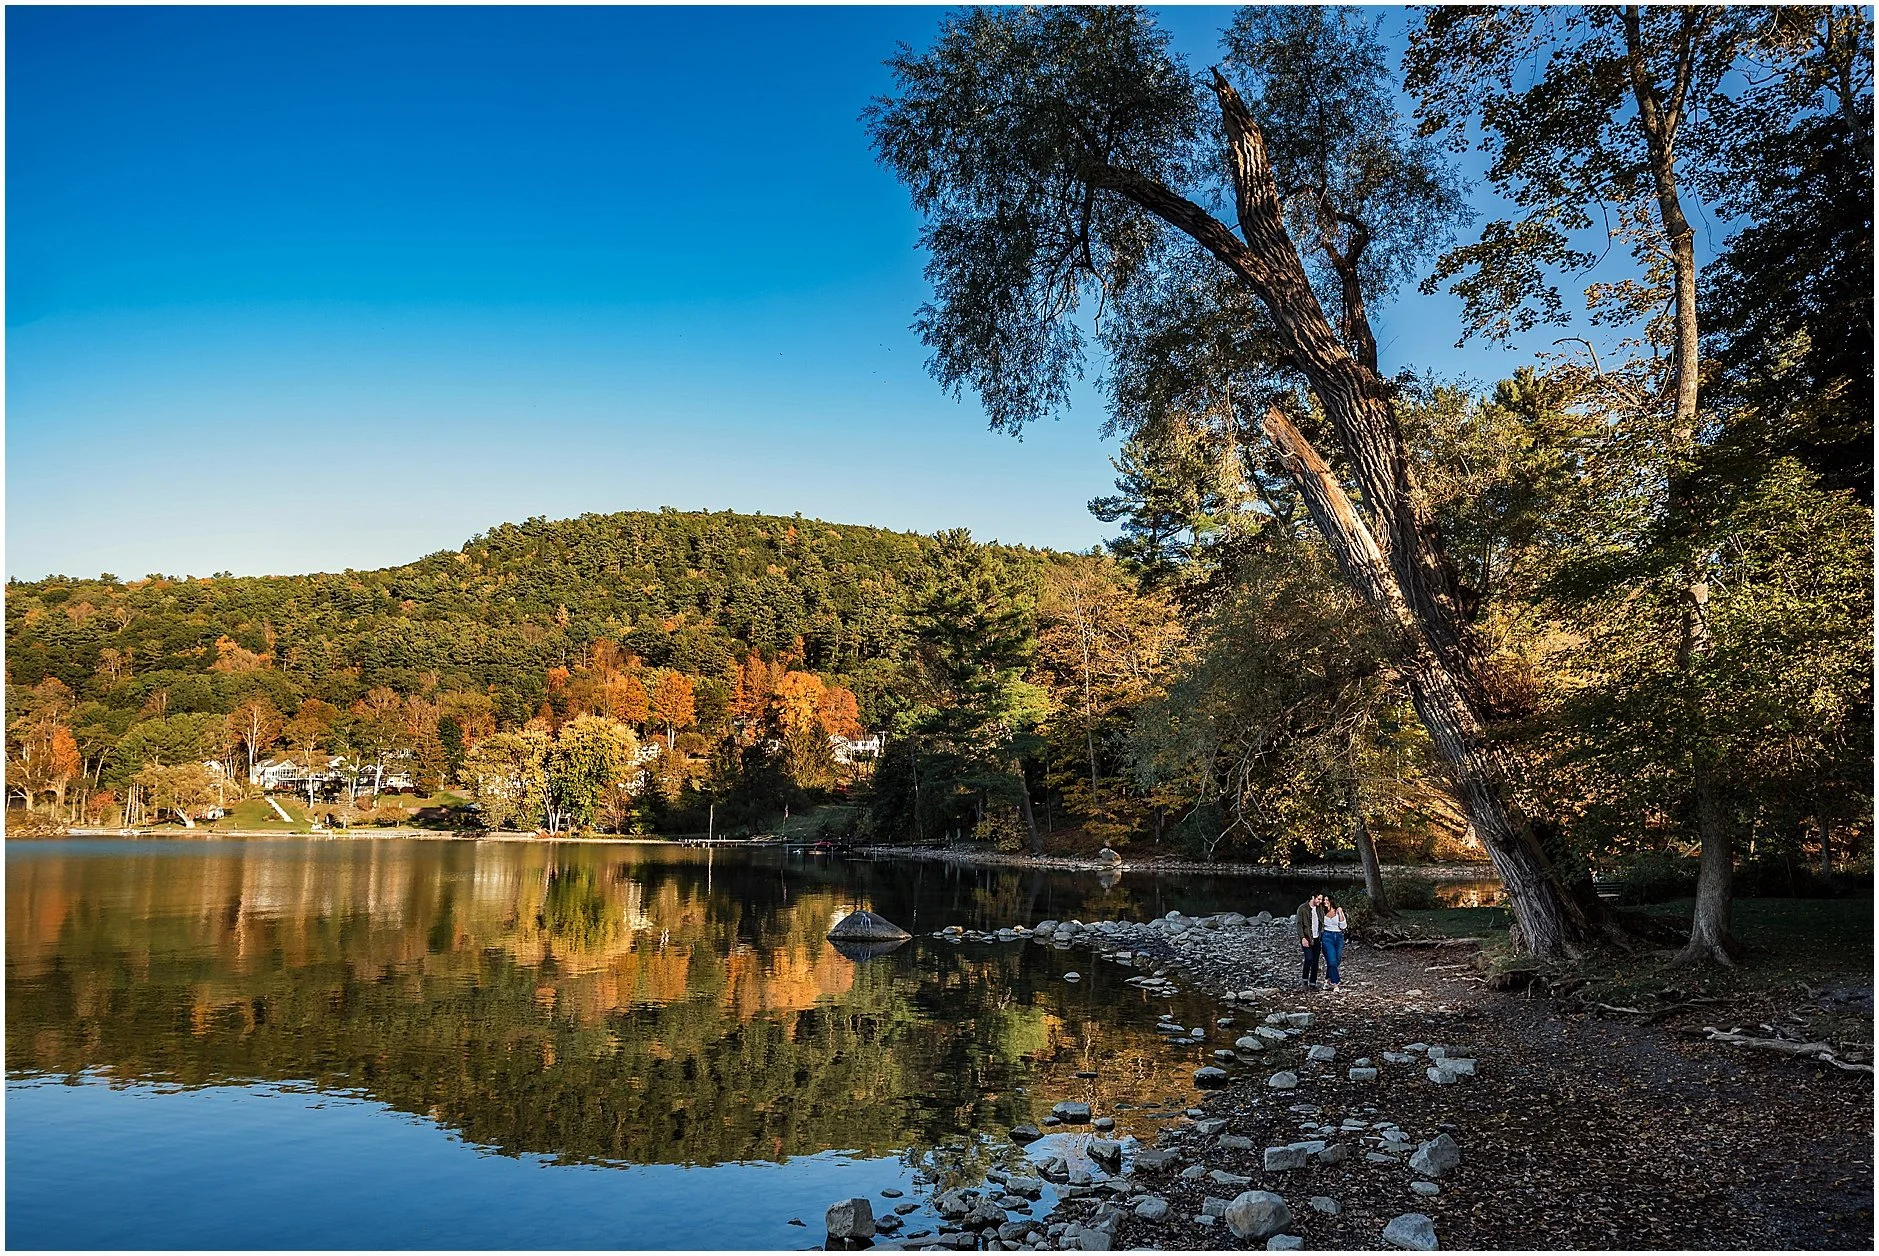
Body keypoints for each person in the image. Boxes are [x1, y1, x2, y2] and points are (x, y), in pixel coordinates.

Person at [1294, 893, 1324, 990]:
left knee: (1315, 961)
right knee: (1309, 958)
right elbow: (1299, 925)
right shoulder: (1302, 909)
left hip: (1317, 938)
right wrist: (1302, 937)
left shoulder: (1319, 909)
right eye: (1318, 899)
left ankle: (1313, 982)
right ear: (1313, 898)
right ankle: (1305, 980)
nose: (1320, 901)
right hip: (1307, 937)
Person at [1320, 894, 1348, 993]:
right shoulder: (1321, 912)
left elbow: (1343, 926)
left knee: (1337, 960)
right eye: (1324, 900)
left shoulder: (1337, 911)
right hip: (1327, 937)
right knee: (1332, 961)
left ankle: (1327, 980)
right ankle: (1336, 983)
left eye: (1327, 900)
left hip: (1338, 937)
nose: (1325, 902)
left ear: (1331, 901)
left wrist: (1340, 913)